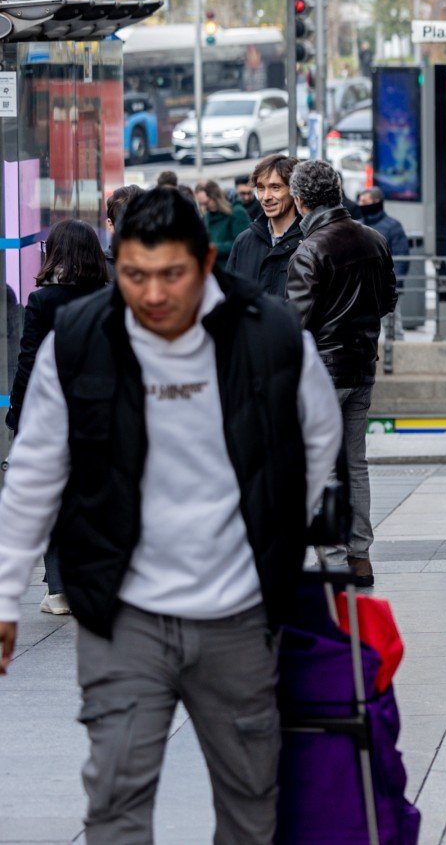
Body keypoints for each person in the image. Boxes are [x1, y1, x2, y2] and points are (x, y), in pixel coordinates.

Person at [0, 187, 341, 839]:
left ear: (206, 263)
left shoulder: (267, 334)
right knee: (116, 798)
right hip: (122, 611)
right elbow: (37, 467)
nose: (152, 294)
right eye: (134, 275)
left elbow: (319, 436)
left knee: (250, 801)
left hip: (237, 613)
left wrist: (270, 530)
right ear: (115, 263)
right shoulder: (78, 339)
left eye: (171, 275)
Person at [285, 160, 398, 587]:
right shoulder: (374, 239)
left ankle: (332, 557)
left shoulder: (309, 249)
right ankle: (360, 556)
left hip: (322, 373)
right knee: (356, 464)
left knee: (322, 467)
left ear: (299, 200)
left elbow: (293, 321)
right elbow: (387, 299)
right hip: (361, 366)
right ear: (337, 192)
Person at [5, 220, 109, 616]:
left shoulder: (43, 301)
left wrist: (17, 413)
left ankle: (61, 590)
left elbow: (28, 361)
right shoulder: (109, 297)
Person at [224, 154, 303, 298]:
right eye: (260, 188)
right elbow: (229, 297)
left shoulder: (311, 242)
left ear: (294, 190)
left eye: (275, 187)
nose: (266, 196)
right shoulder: (244, 241)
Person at [357, 187, 411, 281]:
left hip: (383, 285)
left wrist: (394, 285)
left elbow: (401, 258)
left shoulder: (393, 226)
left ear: (377, 202)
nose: (360, 204)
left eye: (364, 201)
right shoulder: (357, 226)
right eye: (360, 201)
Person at [196, 179, 251, 259]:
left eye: (206, 203)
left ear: (215, 198)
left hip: (233, 266)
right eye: (200, 204)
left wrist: (212, 248)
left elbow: (243, 244)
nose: (203, 208)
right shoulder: (207, 217)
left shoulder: (237, 213)